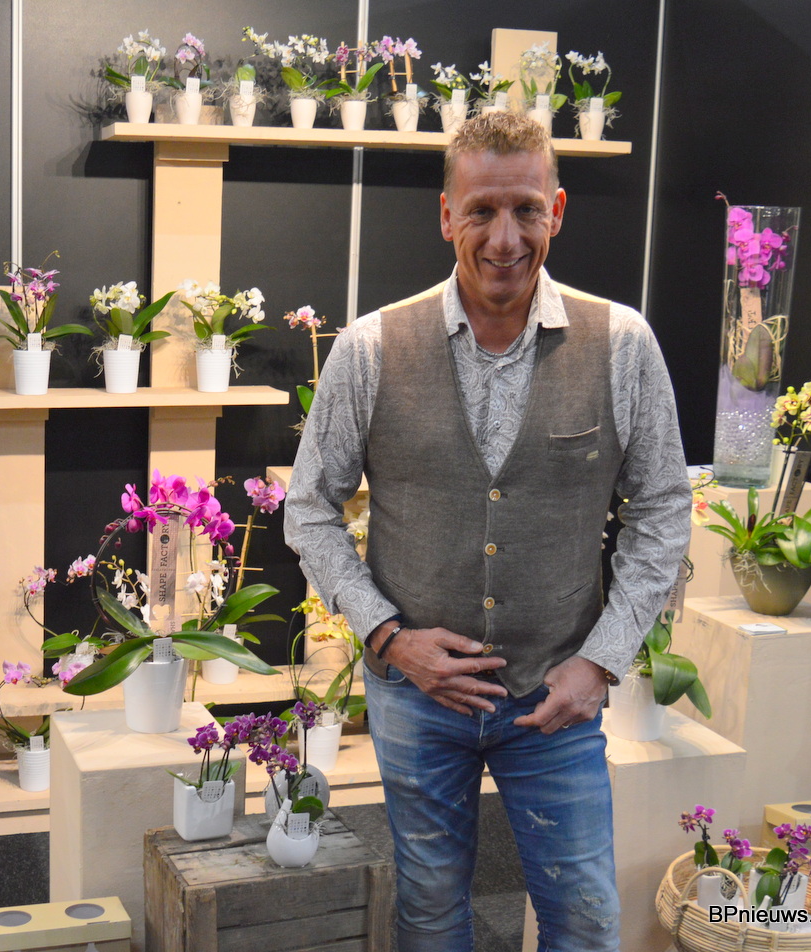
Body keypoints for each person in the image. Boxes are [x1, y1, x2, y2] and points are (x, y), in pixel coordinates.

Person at [284, 111, 691, 951]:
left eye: (526, 210)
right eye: (481, 212)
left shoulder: (621, 345)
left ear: (557, 210)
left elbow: (661, 509)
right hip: (416, 698)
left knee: (585, 919)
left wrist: (601, 661)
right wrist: (389, 638)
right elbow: (309, 508)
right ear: (446, 216)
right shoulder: (369, 348)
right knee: (430, 913)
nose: (505, 239)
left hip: (557, 696)